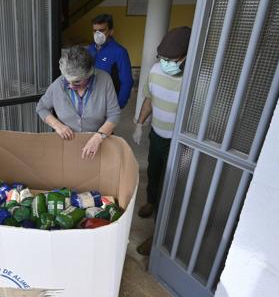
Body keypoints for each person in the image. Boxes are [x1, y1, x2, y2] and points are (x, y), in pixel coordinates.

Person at [132, 26, 191, 256]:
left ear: (186, 57)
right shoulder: (156, 71)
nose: (166, 62)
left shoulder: (193, 78)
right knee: (154, 173)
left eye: (172, 59)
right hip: (157, 134)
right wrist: (139, 123)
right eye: (163, 58)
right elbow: (149, 98)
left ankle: (158, 235)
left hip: (180, 142)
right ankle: (151, 202)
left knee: (172, 186)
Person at [36, 45, 121, 159]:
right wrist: (57, 125)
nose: (70, 86)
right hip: (68, 144)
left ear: (89, 74)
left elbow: (114, 114)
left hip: (100, 142)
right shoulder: (58, 84)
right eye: (68, 80)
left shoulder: (104, 80)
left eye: (77, 82)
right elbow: (41, 107)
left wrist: (98, 137)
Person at [87, 14, 134, 109]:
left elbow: (127, 81)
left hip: (107, 103)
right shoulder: (90, 48)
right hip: (89, 100)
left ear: (111, 32)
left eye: (102, 30)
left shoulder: (119, 52)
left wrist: (119, 105)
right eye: (95, 31)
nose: (97, 34)